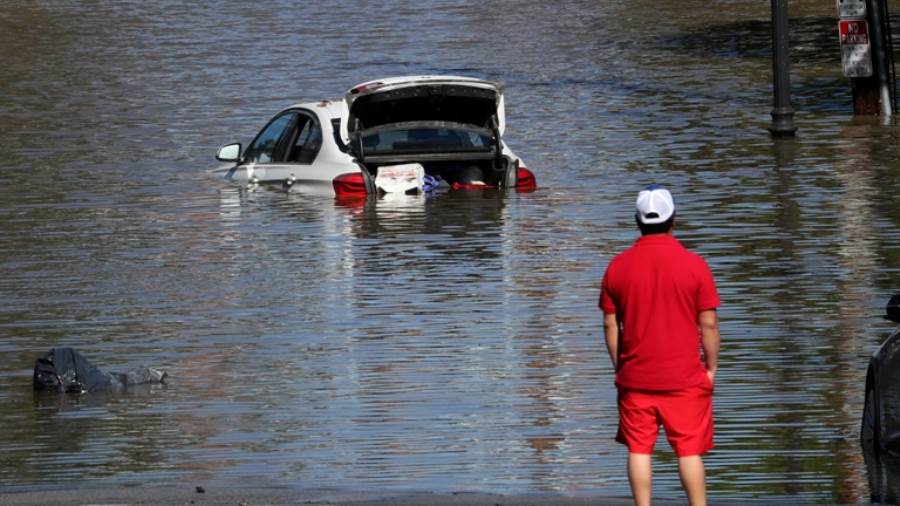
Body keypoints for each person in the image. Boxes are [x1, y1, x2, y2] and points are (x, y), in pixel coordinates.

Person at [598, 185, 721, 506]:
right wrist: (711, 368)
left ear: (637, 221)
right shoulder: (695, 265)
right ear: (673, 220)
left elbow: (611, 324)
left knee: (639, 448)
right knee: (688, 450)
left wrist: (620, 366)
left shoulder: (617, 267)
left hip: (636, 377)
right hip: (684, 376)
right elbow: (708, 324)